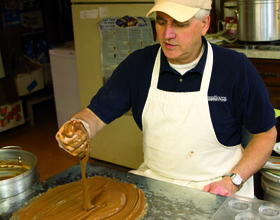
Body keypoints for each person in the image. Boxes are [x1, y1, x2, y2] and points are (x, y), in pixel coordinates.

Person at [56, 0, 277, 198]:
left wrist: (234, 181)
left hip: (219, 187)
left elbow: (266, 134)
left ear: (205, 24)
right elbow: (95, 114)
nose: (167, 34)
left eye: (180, 24)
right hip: (155, 182)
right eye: (161, 22)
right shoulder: (138, 65)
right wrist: (80, 127)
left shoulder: (234, 68)